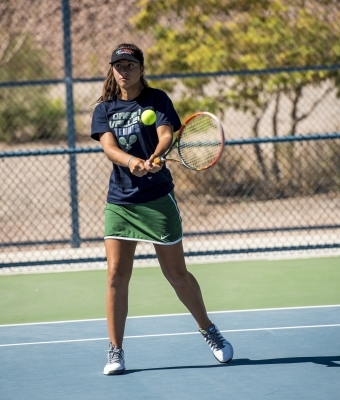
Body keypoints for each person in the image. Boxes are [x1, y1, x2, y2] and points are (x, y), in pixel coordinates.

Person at [90, 43, 233, 376]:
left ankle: (208, 329)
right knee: (115, 276)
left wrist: (154, 156)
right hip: (121, 203)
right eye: (118, 65)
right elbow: (109, 147)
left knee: (176, 275)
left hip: (157, 201)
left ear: (141, 68)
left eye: (129, 65)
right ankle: (115, 352)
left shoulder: (158, 100)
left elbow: (167, 134)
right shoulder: (104, 109)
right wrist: (132, 162)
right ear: (112, 70)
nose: (123, 70)